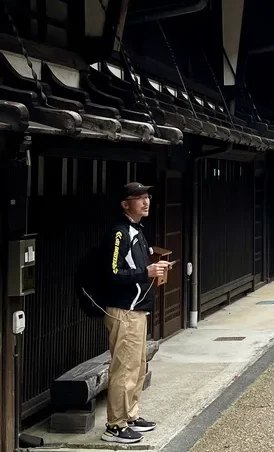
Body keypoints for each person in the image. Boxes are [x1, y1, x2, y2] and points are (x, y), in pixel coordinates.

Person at [101, 182, 169, 445]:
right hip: (124, 310)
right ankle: (115, 425)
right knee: (124, 369)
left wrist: (153, 267)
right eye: (138, 198)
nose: (145, 201)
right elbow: (112, 273)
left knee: (137, 366)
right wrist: (146, 273)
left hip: (137, 309)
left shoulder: (137, 231)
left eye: (147, 196)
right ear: (125, 204)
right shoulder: (120, 233)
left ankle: (130, 415)